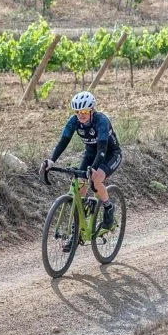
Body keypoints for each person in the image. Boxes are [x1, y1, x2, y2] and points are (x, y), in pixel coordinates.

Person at [40, 91, 122, 245]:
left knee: (96, 179)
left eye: (84, 111)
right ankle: (78, 226)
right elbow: (63, 142)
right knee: (80, 185)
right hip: (91, 153)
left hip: (110, 153)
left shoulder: (101, 121)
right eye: (77, 112)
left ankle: (108, 207)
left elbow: (102, 149)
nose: (81, 115)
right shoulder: (74, 121)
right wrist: (51, 160)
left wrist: (94, 169)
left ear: (91, 110)